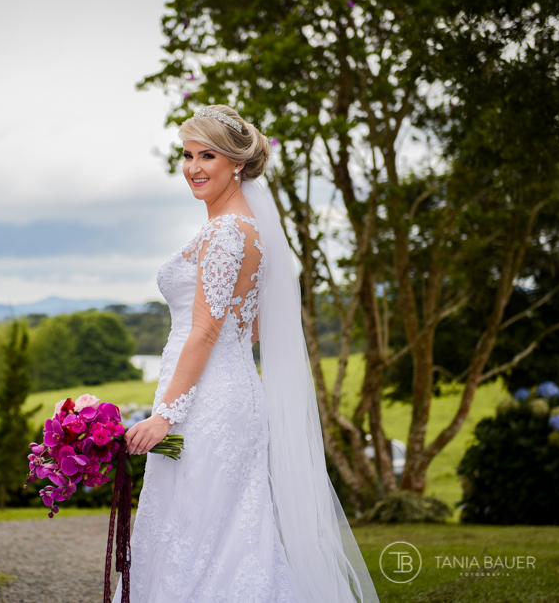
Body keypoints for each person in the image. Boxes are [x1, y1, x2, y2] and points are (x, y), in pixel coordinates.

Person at [116, 105, 380, 602]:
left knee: (198, 535)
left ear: (236, 163)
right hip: (225, 391)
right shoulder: (248, 228)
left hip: (203, 404)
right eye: (188, 155)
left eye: (207, 155)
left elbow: (204, 332)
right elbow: (251, 325)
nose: (194, 167)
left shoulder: (225, 232)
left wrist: (166, 415)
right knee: (222, 535)